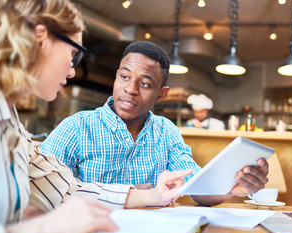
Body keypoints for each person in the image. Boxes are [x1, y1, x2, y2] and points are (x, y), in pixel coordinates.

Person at [0, 1, 191, 233]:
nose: (72, 71)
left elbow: (63, 187)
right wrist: (43, 229)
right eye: (73, 55)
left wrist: (154, 196)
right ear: (40, 39)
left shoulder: (11, 124)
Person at [41, 40, 269, 207]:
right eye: (125, 77)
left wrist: (233, 188)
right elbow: (40, 193)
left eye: (145, 84)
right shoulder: (76, 127)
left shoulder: (166, 132)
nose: (130, 89)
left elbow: (198, 189)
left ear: (161, 94)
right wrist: (133, 194)